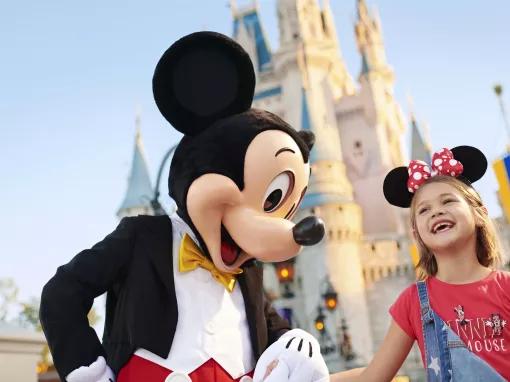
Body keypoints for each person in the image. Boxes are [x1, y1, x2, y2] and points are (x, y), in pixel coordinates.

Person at [330, 146, 510, 382]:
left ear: (479, 214)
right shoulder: (413, 301)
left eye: (448, 201)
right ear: (416, 233)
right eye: (424, 210)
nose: (436, 212)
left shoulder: (505, 287)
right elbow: (372, 376)